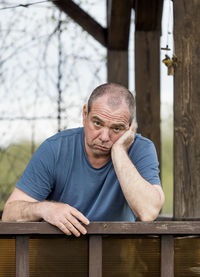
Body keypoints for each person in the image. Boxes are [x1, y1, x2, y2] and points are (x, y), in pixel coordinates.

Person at [2, 83, 165, 237]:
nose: (104, 137)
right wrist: (45, 208)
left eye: (116, 128)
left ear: (130, 128)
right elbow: (9, 214)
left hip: (116, 259)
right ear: (85, 114)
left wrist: (120, 152)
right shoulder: (55, 149)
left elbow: (148, 212)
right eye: (97, 123)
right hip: (55, 258)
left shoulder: (141, 149)